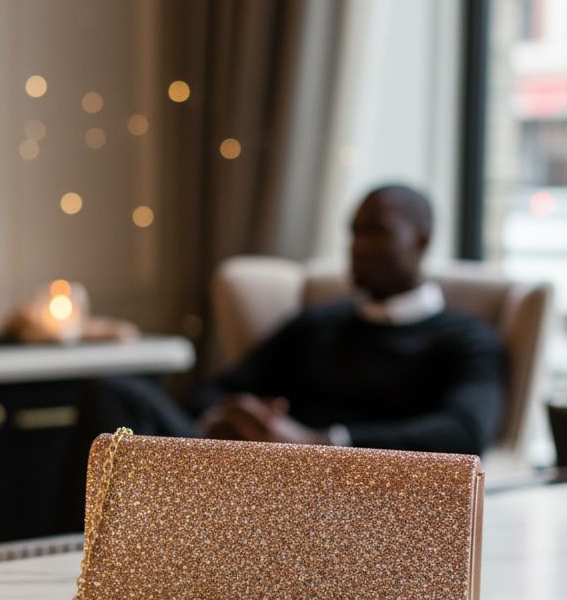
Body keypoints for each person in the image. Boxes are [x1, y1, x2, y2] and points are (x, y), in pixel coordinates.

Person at [79, 184, 504, 459]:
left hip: (343, 489)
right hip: (251, 464)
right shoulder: (319, 324)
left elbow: (462, 432)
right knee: (117, 392)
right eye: (354, 233)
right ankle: (77, 552)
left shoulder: (464, 338)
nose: (358, 247)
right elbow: (214, 388)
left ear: (422, 241)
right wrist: (235, 416)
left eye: (378, 232)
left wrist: (320, 441)